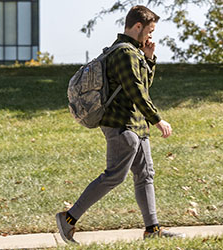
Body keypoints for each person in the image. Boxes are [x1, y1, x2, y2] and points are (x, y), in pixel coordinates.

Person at [56, 5, 182, 243]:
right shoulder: (123, 53)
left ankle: (152, 231)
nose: (150, 36)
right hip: (121, 125)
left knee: (145, 176)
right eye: (149, 31)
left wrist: (150, 58)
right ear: (137, 26)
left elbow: (143, 85)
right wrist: (157, 119)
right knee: (114, 176)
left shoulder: (134, 53)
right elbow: (136, 91)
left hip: (136, 125)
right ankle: (69, 218)